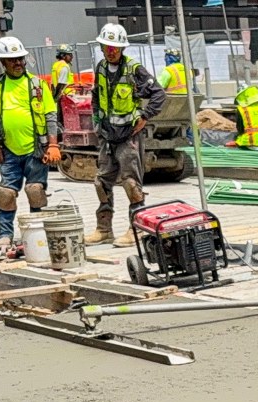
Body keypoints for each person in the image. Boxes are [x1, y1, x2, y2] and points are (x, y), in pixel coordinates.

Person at [86, 23, 166, 247]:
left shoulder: (134, 70)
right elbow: (96, 97)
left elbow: (158, 94)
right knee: (102, 182)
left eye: (115, 47)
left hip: (128, 136)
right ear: (101, 47)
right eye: (107, 46)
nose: (111, 50)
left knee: (131, 184)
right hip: (107, 136)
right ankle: (104, 229)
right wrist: (96, 123)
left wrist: (145, 115)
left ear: (122, 48)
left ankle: (136, 230)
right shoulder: (101, 68)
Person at [0, 37, 60, 252]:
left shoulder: (37, 85)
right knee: (6, 193)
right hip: (8, 151)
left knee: (35, 190)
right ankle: (5, 234)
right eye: (12, 60)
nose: (17, 63)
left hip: (36, 150)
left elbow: (51, 115)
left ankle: (37, 233)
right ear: (2, 63)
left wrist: (53, 145)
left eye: (20, 59)